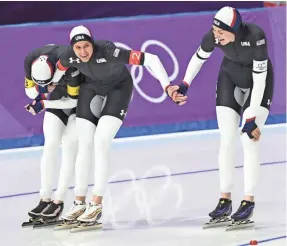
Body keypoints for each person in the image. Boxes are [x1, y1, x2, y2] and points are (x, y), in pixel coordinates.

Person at [51, 25, 184, 228]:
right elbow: (57, 75)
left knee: (101, 141)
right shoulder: (68, 57)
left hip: (118, 89)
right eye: (78, 47)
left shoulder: (109, 51)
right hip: (91, 88)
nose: (83, 51)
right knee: (84, 142)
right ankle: (79, 202)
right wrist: (44, 89)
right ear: (72, 48)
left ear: (92, 43)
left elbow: (152, 59)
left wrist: (166, 86)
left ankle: (96, 203)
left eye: (86, 45)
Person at [170, 7, 273, 228]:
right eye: (215, 31)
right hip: (230, 79)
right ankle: (225, 199)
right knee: (226, 139)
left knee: (248, 139)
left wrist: (251, 117)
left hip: (258, 85)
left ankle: (248, 200)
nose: (216, 36)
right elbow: (198, 59)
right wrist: (185, 84)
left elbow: (260, 80)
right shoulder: (212, 36)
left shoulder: (256, 36)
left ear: (234, 29)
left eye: (221, 33)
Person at [23, 44, 84, 224]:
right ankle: (44, 198)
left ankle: (59, 200)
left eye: (48, 82)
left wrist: (44, 104)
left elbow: (72, 102)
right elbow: (29, 92)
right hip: (58, 98)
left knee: (68, 148)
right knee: (50, 145)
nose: (46, 86)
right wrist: (43, 91)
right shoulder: (30, 58)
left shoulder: (69, 65)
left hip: (79, 104)